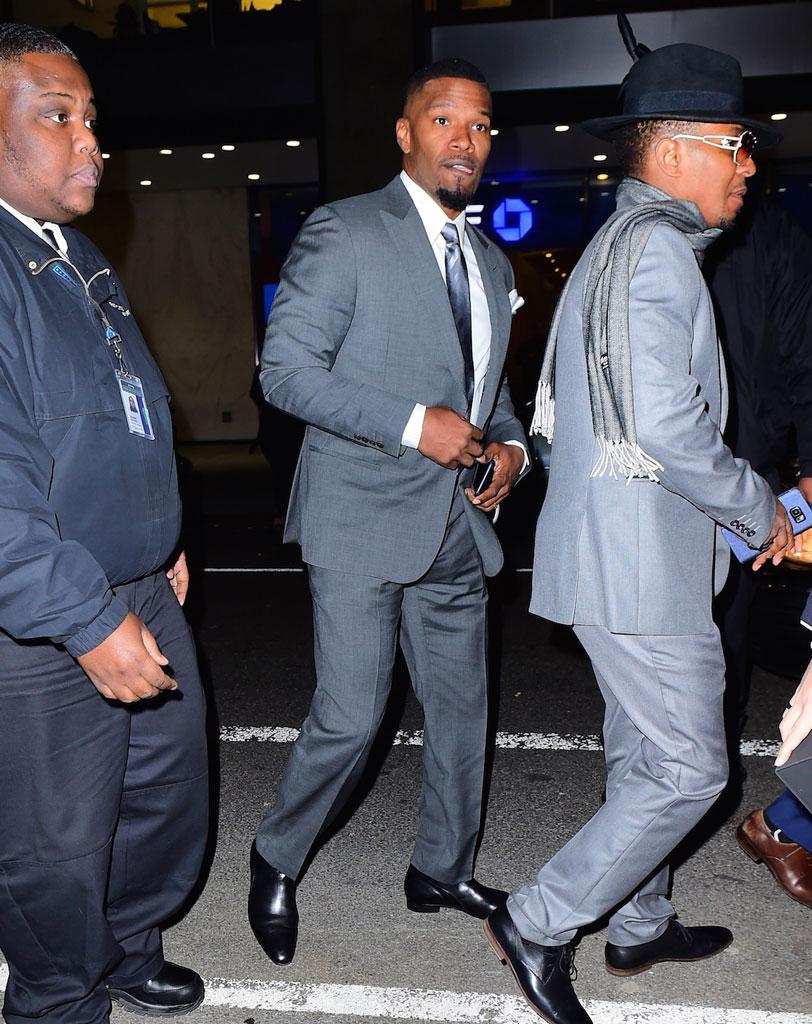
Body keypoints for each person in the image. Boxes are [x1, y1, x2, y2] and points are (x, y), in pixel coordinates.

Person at [483, 24, 796, 1024]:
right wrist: (760, 511)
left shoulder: (620, 245)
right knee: (691, 767)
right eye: (731, 144)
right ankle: (537, 918)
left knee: (640, 755)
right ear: (670, 150)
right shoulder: (655, 251)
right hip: (635, 559)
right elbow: (665, 424)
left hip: (621, 549)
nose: (746, 166)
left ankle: (637, 921)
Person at [248, 57, 528, 965]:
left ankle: (441, 867)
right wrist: (416, 426)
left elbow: (492, 392)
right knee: (352, 714)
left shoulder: (488, 260)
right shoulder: (347, 231)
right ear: (406, 134)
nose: (467, 140)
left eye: (481, 126)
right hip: (361, 513)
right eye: (446, 121)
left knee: (460, 710)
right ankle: (275, 855)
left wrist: (514, 448)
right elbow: (285, 372)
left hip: (457, 521)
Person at [0, 24, 208, 1024]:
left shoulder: (75, 254)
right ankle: (55, 993)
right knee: (54, 842)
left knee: (161, 801)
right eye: (56, 115)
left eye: (90, 118)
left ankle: (125, 946)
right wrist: (82, 615)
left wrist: (158, 537)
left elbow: (122, 406)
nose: (90, 141)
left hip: (135, 580)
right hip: (44, 611)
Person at [702, 194, 812, 907]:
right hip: (664, 484)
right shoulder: (643, 235)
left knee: (730, 636)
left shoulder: (773, 233)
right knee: (683, 648)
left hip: (752, 477)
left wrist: (806, 475)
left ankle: (748, 802)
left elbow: (805, 356)